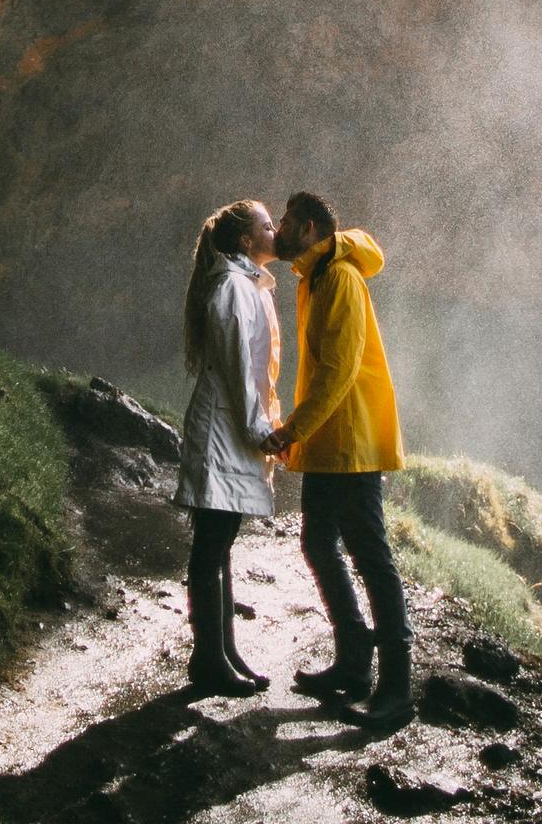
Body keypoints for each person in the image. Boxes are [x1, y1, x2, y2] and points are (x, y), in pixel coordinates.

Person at [272, 189, 410, 730]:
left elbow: (339, 371)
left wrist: (292, 430)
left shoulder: (341, 278)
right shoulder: (315, 276)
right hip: (329, 444)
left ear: (308, 228)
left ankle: (397, 690)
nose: (277, 232)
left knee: (372, 557)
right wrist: (303, 435)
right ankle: (355, 664)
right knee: (318, 544)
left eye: (284, 223)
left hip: (350, 442)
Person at [172, 198, 284, 695]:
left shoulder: (246, 284)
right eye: (267, 224)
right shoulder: (236, 288)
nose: (275, 228)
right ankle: (207, 659)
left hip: (229, 427)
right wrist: (260, 429)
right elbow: (241, 369)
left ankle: (224, 650)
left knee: (220, 542)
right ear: (245, 241)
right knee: (212, 542)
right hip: (224, 430)